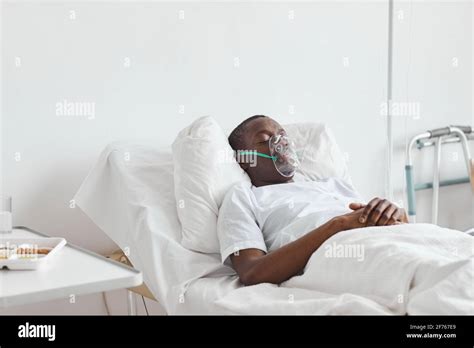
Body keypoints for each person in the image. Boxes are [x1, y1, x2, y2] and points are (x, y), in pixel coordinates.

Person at [217, 115, 408, 286]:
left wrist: (394, 213)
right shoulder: (243, 196)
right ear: (244, 159)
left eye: (283, 136)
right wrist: (339, 225)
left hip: (395, 240)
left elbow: (374, 221)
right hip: (347, 255)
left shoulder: (333, 184)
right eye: (265, 139)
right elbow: (251, 272)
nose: (280, 143)